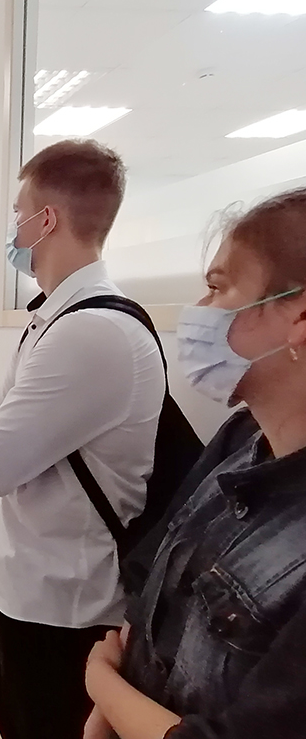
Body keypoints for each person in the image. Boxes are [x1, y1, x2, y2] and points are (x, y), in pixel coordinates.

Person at [85, 189, 306, 739]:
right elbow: (150, 580)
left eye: (218, 287)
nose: (199, 311)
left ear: (300, 317)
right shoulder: (239, 438)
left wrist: (102, 686)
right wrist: (109, 712)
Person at [0, 139, 165, 739]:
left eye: (18, 212)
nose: (13, 228)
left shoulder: (92, 332)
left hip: (63, 611)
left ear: (45, 220)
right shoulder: (55, 318)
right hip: (30, 592)